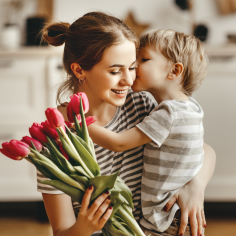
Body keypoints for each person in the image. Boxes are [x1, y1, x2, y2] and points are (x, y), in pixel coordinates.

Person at [39, 12, 215, 236]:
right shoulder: (57, 142)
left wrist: (195, 186)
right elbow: (62, 232)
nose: (129, 80)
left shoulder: (140, 106)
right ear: (79, 70)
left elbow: (200, 149)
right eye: (115, 71)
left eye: (132, 67)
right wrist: (84, 227)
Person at [87, 29, 209, 236]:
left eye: (143, 59)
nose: (134, 68)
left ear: (174, 71)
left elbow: (118, 143)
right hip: (177, 214)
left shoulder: (168, 113)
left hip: (166, 217)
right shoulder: (191, 107)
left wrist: (77, 123)